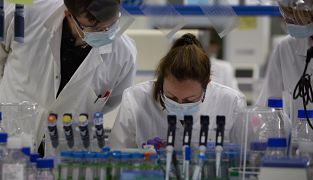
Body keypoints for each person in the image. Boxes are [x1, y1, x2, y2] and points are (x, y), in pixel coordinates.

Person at [0, 0, 136, 155]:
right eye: (94, 28)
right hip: (11, 137)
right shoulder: (23, 12)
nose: (105, 33)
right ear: (69, 15)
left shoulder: (124, 54)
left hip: (66, 151)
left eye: (111, 25)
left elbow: (111, 102)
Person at [108, 33, 246, 149]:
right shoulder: (135, 99)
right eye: (171, 98)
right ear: (161, 81)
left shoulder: (231, 103)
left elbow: (244, 160)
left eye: (189, 100)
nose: (179, 104)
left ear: (207, 85)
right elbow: (117, 156)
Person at [256, 0, 313, 130]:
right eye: (289, 16)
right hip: (299, 144)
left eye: (298, 17)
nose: (291, 22)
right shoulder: (286, 48)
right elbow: (267, 109)